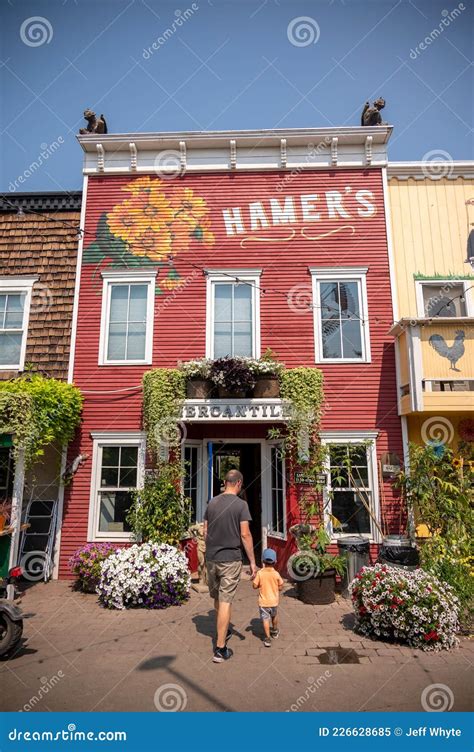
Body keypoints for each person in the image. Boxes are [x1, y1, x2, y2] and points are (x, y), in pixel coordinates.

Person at [204, 469, 257, 663]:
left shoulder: (211, 503)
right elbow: (245, 535)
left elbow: (205, 531)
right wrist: (252, 562)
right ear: (239, 483)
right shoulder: (241, 505)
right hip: (230, 559)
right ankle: (220, 648)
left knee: (218, 598)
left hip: (212, 558)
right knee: (226, 600)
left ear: (225, 482)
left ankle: (222, 631)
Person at [252, 548, 284, 647]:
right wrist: (278, 588)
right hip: (274, 601)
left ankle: (267, 638)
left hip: (263, 602)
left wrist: (255, 581)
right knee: (274, 616)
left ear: (262, 561)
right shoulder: (276, 574)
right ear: (275, 561)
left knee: (265, 619)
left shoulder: (260, 573)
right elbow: (281, 586)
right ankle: (274, 631)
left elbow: (254, 586)